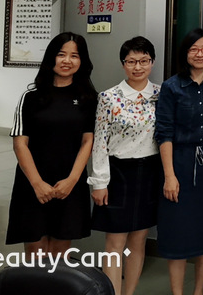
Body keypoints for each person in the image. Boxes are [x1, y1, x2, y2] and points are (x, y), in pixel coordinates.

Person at [6, 32, 97, 256]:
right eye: (61, 54)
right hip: (32, 181)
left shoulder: (88, 98)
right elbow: (20, 143)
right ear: (51, 57)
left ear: (82, 60)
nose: (67, 61)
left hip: (69, 183)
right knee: (35, 249)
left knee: (60, 250)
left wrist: (72, 181)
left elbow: (88, 141)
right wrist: (37, 183)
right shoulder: (30, 96)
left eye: (74, 56)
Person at [155, 28, 203, 295]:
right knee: (178, 233)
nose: (200, 54)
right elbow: (164, 133)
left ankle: (198, 291)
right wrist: (169, 176)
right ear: (185, 54)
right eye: (194, 49)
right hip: (179, 164)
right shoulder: (171, 87)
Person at [89, 36, 161, 295]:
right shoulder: (108, 97)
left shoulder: (161, 95)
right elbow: (100, 142)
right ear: (123, 64)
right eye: (131, 61)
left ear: (152, 62)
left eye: (144, 61)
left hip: (150, 172)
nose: (137, 67)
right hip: (118, 173)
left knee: (139, 240)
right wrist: (99, 182)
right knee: (115, 242)